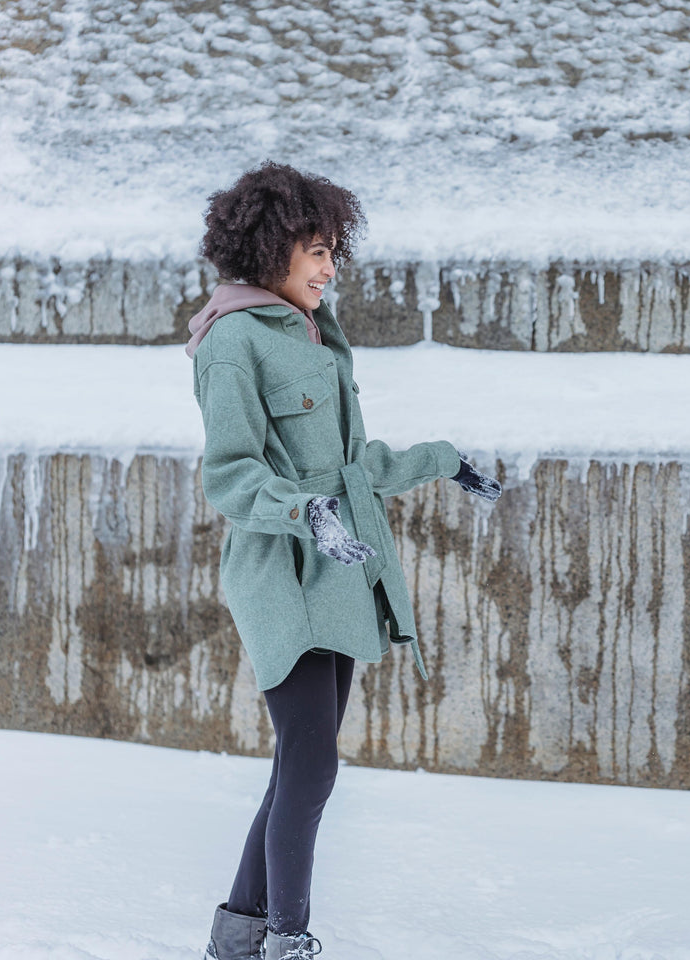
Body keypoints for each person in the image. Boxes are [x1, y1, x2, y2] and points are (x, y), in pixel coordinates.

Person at [186, 162, 501, 960]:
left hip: (339, 569)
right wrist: (307, 514)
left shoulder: (312, 331)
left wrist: (441, 458)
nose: (330, 268)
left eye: (333, 252)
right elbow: (230, 474)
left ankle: (239, 935)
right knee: (314, 763)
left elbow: (349, 467)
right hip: (281, 575)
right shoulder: (233, 343)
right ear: (269, 249)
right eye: (316, 251)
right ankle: (286, 938)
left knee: (301, 763)